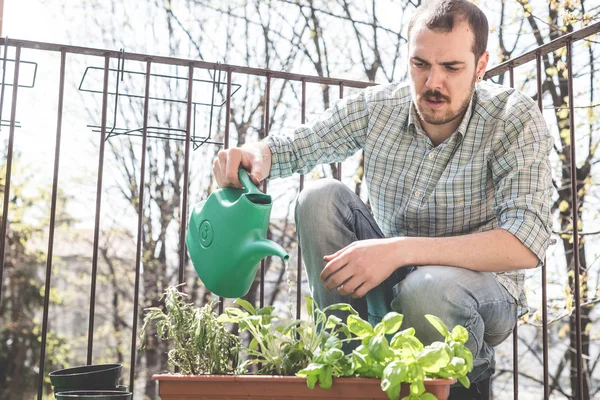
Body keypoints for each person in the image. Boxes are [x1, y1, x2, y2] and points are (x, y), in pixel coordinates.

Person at [212, 0, 552, 393]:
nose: (432, 83)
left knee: (428, 288)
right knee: (319, 198)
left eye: (452, 68)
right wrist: (258, 154)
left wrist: (400, 250)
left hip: (481, 291)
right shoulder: (381, 107)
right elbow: (304, 142)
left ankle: (465, 378)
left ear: (481, 66)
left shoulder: (512, 117)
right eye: (420, 64)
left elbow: (525, 242)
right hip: (391, 280)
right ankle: (348, 368)